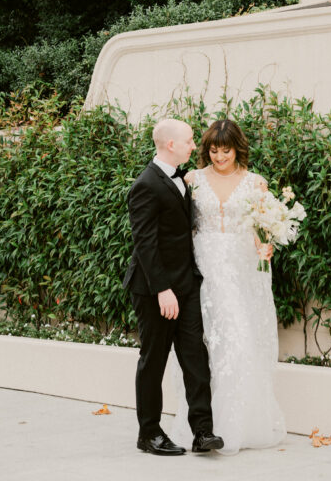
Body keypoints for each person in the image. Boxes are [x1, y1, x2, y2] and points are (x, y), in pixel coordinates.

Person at [169, 118, 286, 455]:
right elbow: (182, 229)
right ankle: (203, 426)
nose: (220, 157)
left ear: (238, 148)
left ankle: (237, 424)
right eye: (214, 150)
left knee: (239, 340)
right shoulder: (192, 180)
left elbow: (265, 227)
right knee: (203, 345)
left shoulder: (255, 184)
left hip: (241, 271)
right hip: (202, 268)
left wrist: (267, 246)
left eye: (226, 150)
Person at [123, 117, 224, 456]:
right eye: (190, 141)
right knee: (153, 360)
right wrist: (163, 289)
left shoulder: (181, 179)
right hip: (156, 289)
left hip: (186, 283)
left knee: (195, 356)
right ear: (171, 145)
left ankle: (203, 431)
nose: (194, 146)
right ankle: (148, 433)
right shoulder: (146, 185)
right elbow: (145, 243)